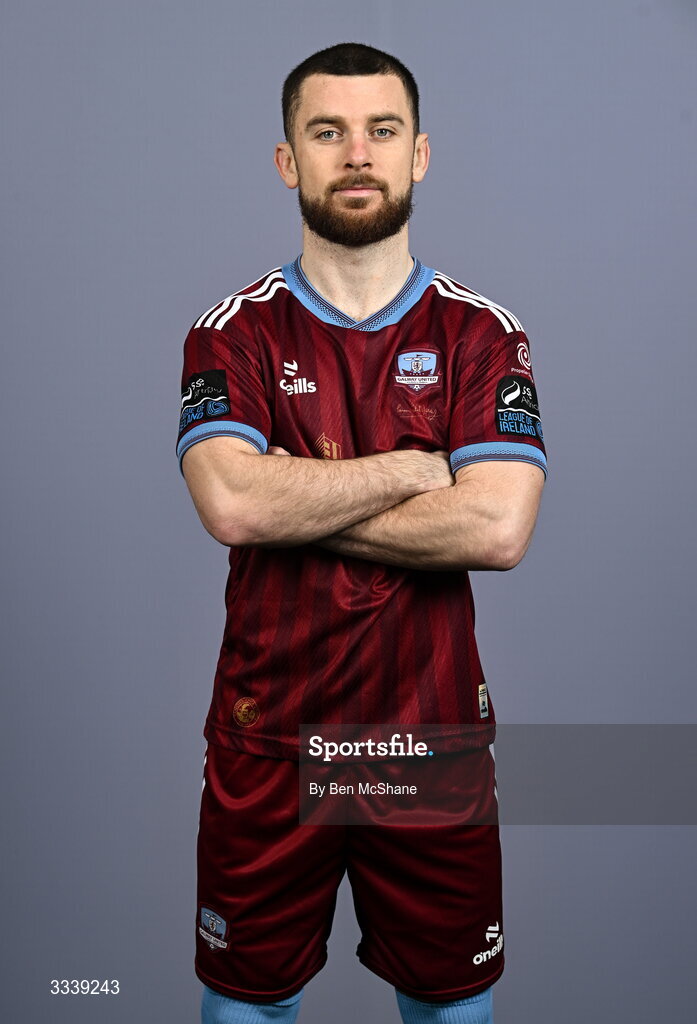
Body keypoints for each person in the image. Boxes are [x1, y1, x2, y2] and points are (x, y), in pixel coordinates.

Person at [177, 42, 546, 1024]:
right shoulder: (232, 333)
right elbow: (233, 507)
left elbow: (498, 526)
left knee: (452, 1007)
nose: (356, 153)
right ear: (287, 160)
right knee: (246, 1006)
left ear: (417, 154)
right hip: (269, 740)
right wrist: (416, 467)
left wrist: (295, 493)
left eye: (381, 130)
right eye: (326, 131)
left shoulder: (481, 334)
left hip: (430, 745)